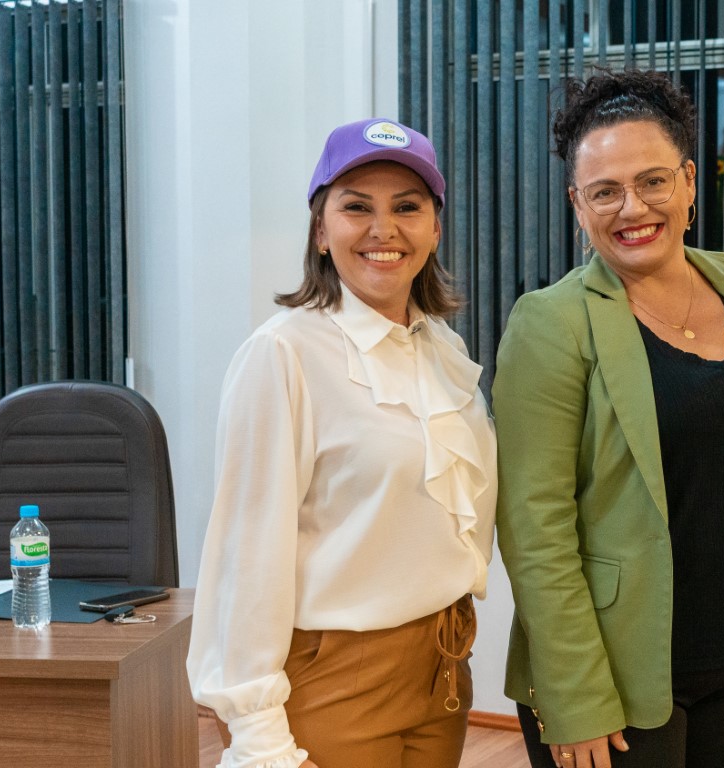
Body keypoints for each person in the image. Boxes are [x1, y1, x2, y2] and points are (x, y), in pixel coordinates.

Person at [493, 69, 724, 768]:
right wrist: (573, 695)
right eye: (604, 191)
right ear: (578, 206)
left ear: (689, 182)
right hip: (618, 673)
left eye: (653, 180)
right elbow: (533, 526)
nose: (632, 207)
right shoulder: (550, 324)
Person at [188, 118, 497, 768]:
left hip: (441, 666)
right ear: (321, 230)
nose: (384, 229)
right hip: (336, 681)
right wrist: (258, 735)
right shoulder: (282, 355)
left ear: (434, 229)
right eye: (356, 207)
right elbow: (248, 555)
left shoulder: (442, 349)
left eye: (407, 208)